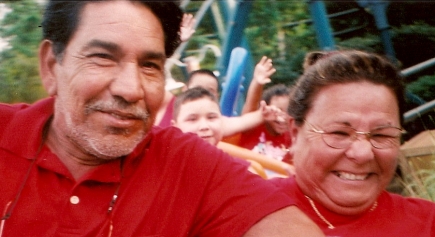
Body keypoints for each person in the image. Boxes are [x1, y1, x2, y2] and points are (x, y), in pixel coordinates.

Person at [0, 1, 325, 236]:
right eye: (102, 57)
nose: (131, 89)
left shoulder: (188, 164)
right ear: (51, 66)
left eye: (150, 65)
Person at [271, 50, 435, 236]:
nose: (363, 153)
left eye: (381, 136)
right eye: (339, 133)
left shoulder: (431, 226)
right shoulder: (253, 211)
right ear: (294, 134)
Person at [171, 87, 266, 177]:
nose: (204, 126)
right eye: (192, 119)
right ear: (175, 127)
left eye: (211, 117)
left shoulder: (241, 171)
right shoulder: (169, 169)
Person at [239, 84, 292, 162]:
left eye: (289, 111)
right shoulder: (253, 127)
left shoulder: (291, 138)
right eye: (278, 110)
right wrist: (257, 83)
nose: (283, 117)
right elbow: (251, 106)